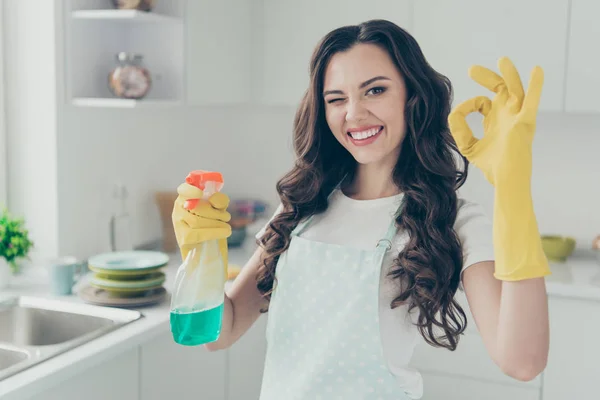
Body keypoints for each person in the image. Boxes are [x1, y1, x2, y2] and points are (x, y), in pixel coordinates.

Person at [172, 19, 551, 400]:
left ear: (412, 96)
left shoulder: (451, 220)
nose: (353, 113)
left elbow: (522, 361)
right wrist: (199, 254)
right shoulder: (301, 207)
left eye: (375, 90)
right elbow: (222, 332)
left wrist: (513, 188)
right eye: (336, 99)